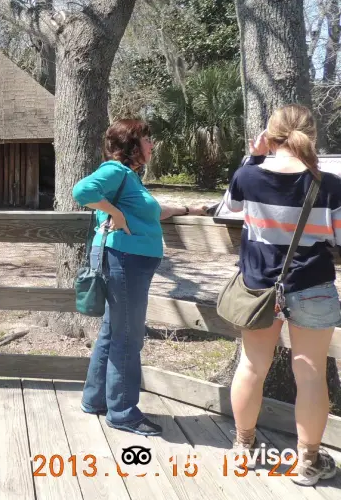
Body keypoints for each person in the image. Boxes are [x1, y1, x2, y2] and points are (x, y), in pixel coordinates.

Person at [224, 104, 341, 487]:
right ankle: (306, 462)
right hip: (312, 286)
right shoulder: (330, 185)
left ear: (270, 137)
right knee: (310, 375)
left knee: (252, 367)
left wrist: (254, 156)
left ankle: (243, 449)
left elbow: (227, 211)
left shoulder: (248, 176)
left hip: (259, 287)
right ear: (312, 136)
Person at [73, 119, 209, 436]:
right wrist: (116, 215)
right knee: (128, 336)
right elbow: (82, 191)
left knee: (113, 331)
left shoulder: (130, 178)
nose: (151, 145)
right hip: (125, 261)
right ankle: (122, 412)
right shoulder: (117, 171)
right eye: (147, 140)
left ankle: (96, 399)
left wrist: (189, 209)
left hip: (127, 261)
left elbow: (150, 211)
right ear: (133, 145)